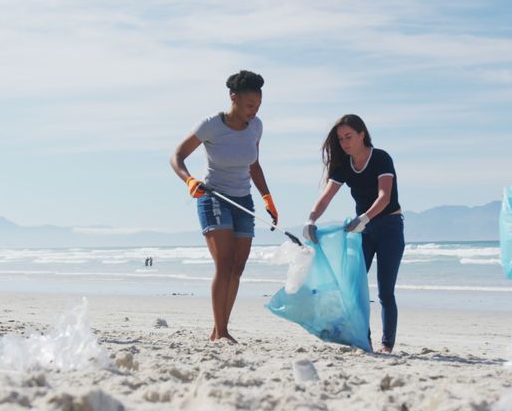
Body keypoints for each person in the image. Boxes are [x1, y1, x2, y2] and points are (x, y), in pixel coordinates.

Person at [170, 70, 278, 344]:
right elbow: (177, 156)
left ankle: (220, 329)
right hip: (213, 196)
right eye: (250, 105)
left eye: (258, 106)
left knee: (237, 268)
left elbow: (253, 164)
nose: (254, 111)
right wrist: (189, 181)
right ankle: (222, 332)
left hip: (243, 200)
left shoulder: (256, 127)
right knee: (225, 263)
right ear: (234, 98)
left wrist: (267, 197)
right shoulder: (211, 126)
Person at [303, 114, 404, 353]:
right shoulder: (343, 166)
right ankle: (364, 341)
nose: (345, 143)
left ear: (362, 134)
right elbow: (326, 197)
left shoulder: (380, 158)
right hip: (363, 231)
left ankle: (387, 345)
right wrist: (311, 219)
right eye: (340, 139)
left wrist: (365, 218)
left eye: (349, 137)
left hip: (389, 226)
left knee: (385, 290)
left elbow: (384, 197)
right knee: (354, 286)